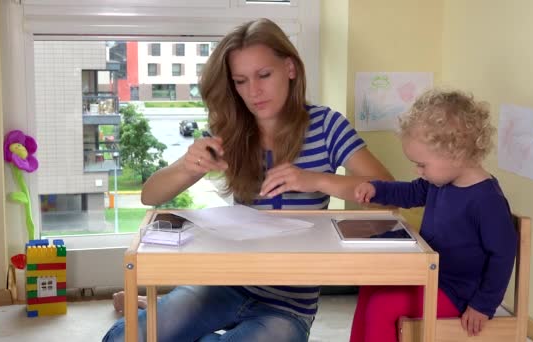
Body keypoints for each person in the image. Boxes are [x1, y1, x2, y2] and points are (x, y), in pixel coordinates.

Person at [102, 18, 393, 342]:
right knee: (128, 338)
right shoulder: (232, 130)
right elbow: (150, 195)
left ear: (290, 69)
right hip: (225, 282)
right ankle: (154, 312)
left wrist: (318, 180)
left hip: (288, 306)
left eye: (264, 75)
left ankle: (158, 311)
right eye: (241, 81)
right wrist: (188, 166)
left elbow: (388, 193)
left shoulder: (327, 126)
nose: (253, 92)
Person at [348, 89, 518, 342]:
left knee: (382, 306)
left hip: (458, 293)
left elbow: (503, 255)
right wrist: (377, 189)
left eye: (422, 164)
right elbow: (411, 192)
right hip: (429, 276)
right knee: (370, 286)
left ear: (456, 154)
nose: (419, 171)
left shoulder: (487, 200)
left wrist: (483, 305)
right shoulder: (440, 182)